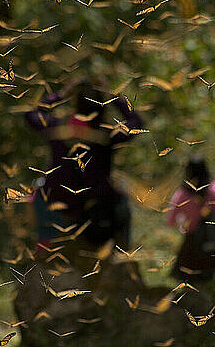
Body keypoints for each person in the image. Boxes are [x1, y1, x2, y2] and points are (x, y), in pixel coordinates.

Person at [24, 78, 143, 249]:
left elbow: (31, 114)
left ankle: (44, 243)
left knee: (40, 188)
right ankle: (122, 250)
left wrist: (61, 94)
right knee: (123, 200)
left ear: (75, 105)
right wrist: (114, 97)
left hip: (60, 202)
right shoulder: (106, 136)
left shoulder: (58, 130)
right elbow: (136, 122)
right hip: (96, 207)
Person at [166, 154, 215, 282]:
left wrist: (184, 222)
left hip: (191, 243)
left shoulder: (182, 195)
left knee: (185, 278)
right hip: (214, 237)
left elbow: (170, 221)